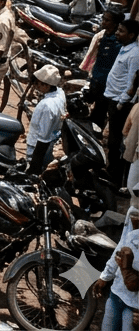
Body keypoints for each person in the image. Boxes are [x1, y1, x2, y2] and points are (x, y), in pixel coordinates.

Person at [103, 20, 139, 187]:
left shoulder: (135, 54)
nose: (117, 33)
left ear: (131, 35)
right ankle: (111, 171)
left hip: (121, 104)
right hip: (113, 99)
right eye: (118, 29)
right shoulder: (125, 48)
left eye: (121, 31)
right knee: (112, 140)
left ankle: (115, 178)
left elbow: (132, 82)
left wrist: (121, 103)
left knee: (116, 142)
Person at [95, 206, 139, 331]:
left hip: (135, 306)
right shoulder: (134, 210)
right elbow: (122, 243)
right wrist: (106, 275)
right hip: (117, 293)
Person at [25, 65, 66, 175]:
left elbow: (43, 139)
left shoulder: (47, 106)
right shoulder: (60, 93)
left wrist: (33, 167)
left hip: (37, 148)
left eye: (38, 84)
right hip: (51, 141)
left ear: (47, 85)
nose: (36, 87)